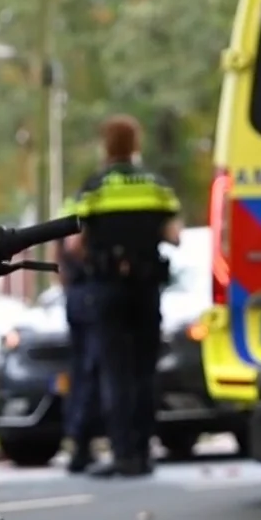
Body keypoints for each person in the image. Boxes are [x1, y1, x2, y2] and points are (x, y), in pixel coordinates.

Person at [61, 114, 182, 478]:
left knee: (115, 373)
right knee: (145, 370)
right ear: (136, 144)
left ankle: (123, 452)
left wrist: (101, 257)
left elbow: (73, 243)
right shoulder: (157, 186)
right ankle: (144, 451)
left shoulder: (94, 187)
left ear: (105, 146)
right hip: (146, 287)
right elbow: (176, 236)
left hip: (106, 288)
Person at [58, 240, 105, 473]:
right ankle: (81, 441)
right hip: (87, 295)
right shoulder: (84, 210)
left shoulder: (73, 208)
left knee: (83, 372)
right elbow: (74, 246)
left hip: (79, 296)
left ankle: (80, 442)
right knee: (88, 372)